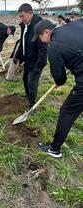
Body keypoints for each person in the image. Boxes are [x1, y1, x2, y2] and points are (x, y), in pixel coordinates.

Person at [32, 19, 83, 158]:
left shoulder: (54, 47)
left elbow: (60, 79)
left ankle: (54, 149)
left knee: (67, 111)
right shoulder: (75, 24)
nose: (42, 41)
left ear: (47, 32)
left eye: (40, 37)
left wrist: (58, 81)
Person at [13, 3, 47, 108]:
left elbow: (44, 48)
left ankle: (31, 105)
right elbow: (23, 42)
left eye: (22, 16)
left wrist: (39, 66)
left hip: (37, 60)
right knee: (25, 79)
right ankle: (28, 96)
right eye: (20, 16)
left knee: (32, 81)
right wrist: (17, 56)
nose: (21, 18)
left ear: (30, 13)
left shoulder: (39, 26)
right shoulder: (25, 26)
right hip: (28, 59)